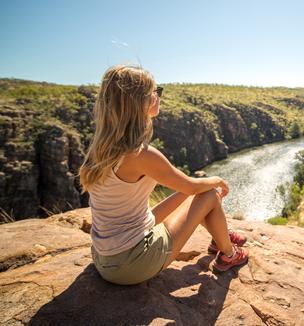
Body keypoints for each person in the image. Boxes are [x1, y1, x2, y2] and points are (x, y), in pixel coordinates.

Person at [78, 64, 249, 286]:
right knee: (209, 194)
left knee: (191, 195)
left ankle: (220, 236)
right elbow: (193, 187)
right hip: (130, 264)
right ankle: (228, 254)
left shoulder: (101, 147)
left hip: (105, 257)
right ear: (139, 102)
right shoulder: (140, 154)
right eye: (154, 92)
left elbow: (187, 191)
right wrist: (217, 180)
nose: (158, 96)